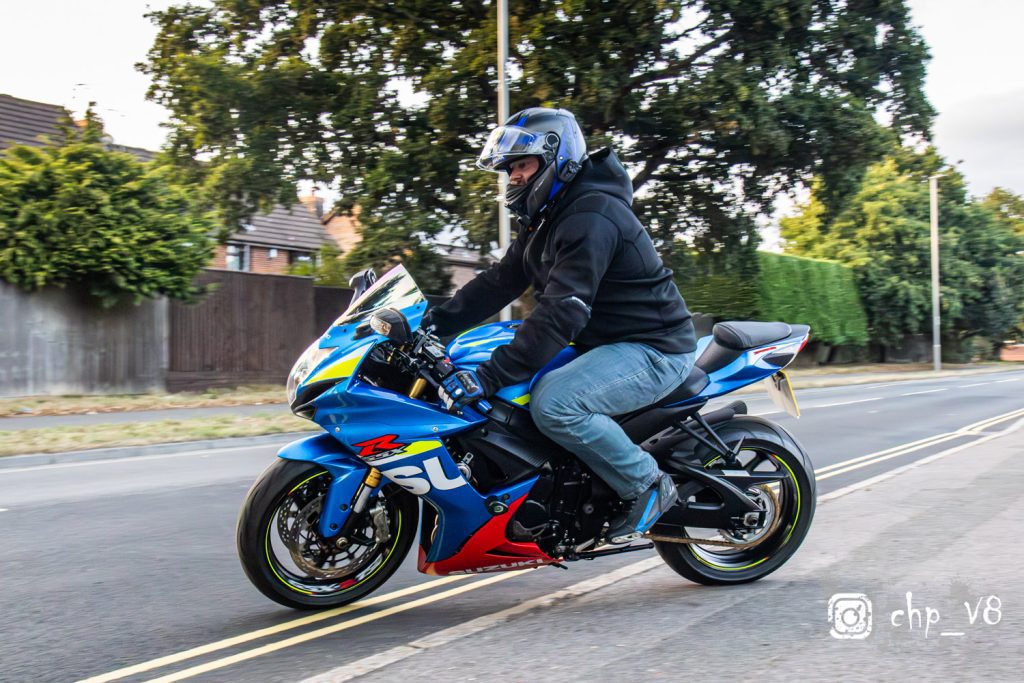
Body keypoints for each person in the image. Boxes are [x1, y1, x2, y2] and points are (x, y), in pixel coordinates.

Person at [424, 107, 697, 544]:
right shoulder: (548, 217)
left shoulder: (591, 216)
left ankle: (646, 483)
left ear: (558, 158)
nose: (513, 177)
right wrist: (432, 324)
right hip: (605, 343)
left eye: (523, 165)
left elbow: (563, 311)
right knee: (507, 389)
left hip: (654, 348)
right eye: (510, 168)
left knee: (555, 403)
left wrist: (490, 375)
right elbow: (500, 282)